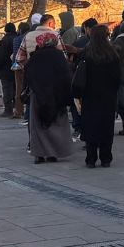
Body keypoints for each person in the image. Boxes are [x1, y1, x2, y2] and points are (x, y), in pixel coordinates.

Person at [23, 34, 76, 163]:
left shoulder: (35, 57)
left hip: (39, 96)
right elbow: (68, 76)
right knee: (57, 126)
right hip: (57, 96)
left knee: (38, 127)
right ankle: (54, 153)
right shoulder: (59, 56)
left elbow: (28, 75)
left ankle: (39, 154)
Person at [77, 25, 122, 168]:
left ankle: (90, 158)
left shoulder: (87, 52)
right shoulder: (112, 54)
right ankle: (106, 158)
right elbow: (117, 77)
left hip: (89, 95)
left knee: (90, 125)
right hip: (108, 95)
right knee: (106, 126)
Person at [0, 23, 18, 117]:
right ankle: (17, 107)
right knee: (16, 88)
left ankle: (8, 109)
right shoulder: (17, 38)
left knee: (7, 88)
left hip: (6, 69)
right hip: (17, 67)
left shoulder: (5, 40)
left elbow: (1, 56)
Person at [12, 20, 32, 120]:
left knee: (19, 90)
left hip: (20, 67)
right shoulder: (30, 38)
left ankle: (18, 112)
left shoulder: (17, 39)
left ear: (19, 30)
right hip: (30, 66)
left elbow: (16, 54)